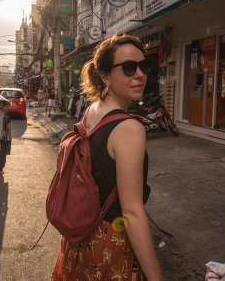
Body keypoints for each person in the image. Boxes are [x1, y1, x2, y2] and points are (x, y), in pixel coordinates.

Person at [51, 34, 162, 280]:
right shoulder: (129, 129)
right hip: (111, 246)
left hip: (82, 241)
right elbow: (132, 213)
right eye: (129, 68)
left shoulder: (92, 110)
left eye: (144, 66)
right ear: (105, 77)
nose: (140, 74)